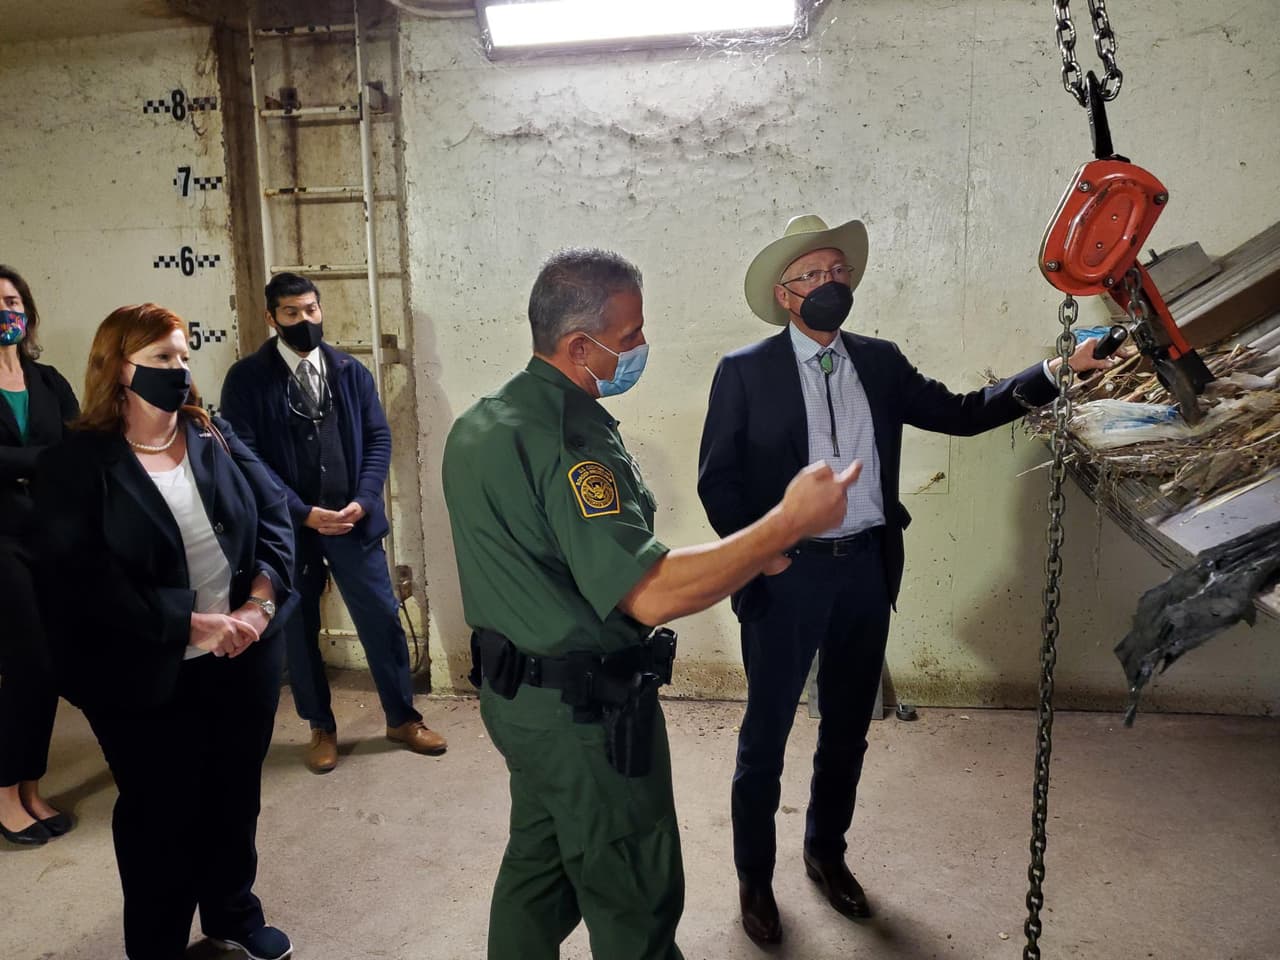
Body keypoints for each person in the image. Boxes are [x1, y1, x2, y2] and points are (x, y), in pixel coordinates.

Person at [696, 214, 1117, 944]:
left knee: (848, 728)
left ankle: (826, 856)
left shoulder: (880, 361)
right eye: (813, 275)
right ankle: (755, 881)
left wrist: (1056, 372)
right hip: (785, 575)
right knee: (764, 737)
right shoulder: (744, 370)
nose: (831, 283)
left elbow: (960, 413)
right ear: (784, 293)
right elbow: (718, 481)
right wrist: (757, 553)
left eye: (838, 272)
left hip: (863, 567)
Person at [442, 248, 862, 960]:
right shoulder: (570, 441)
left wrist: (755, 552)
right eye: (630, 337)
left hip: (520, 703)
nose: (640, 349)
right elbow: (652, 591)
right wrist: (785, 523)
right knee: (635, 890)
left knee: (540, 875)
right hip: (585, 718)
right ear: (580, 346)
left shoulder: (485, 422)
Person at [32, 304, 296, 960]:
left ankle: (233, 912)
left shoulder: (213, 433)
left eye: (182, 356)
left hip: (241, 656)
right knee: (161, 818)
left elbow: (275, 515)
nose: (179, 370)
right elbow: (81, 578)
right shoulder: (77, 462)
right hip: (144, 672)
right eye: (160, 359)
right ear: (117, 369)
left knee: (234, 797)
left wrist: (259, 605)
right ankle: (157, 945)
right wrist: (187, 622)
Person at [220, 273, 445, 773]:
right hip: (290, 530)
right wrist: (301, 512)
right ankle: (320, 726)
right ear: (271, 318)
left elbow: (378, 438)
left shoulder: (349, 372)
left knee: (381, 617)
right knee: (298, 628)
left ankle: (402, 717)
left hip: (352, 523)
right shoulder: (247, 379)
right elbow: (245, 454)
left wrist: (363, 501)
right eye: (293, 313)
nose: (306, 321)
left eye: (312, 310)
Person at [0, 265, 79, 846]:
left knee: (47, 668)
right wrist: (43, 462)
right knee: (22, 665)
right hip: (1, 545)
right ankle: (5, 795)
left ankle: (29, 785)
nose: (6, 310)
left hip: (50, 542)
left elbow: (78, 448)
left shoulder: (47, 380)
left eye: (11, 300)